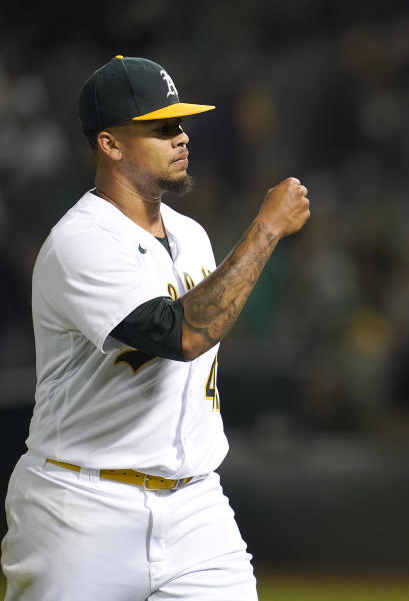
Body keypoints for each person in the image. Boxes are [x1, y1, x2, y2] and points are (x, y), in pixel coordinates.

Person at [1, 55, 310, 600]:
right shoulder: (81, 241)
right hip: (81, 506)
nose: (181, 136)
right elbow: (181, 335)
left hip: (196, 507)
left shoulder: (192, 236)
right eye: (160, 127)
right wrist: (266, 229)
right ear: (109, 144)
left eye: (181, 123)